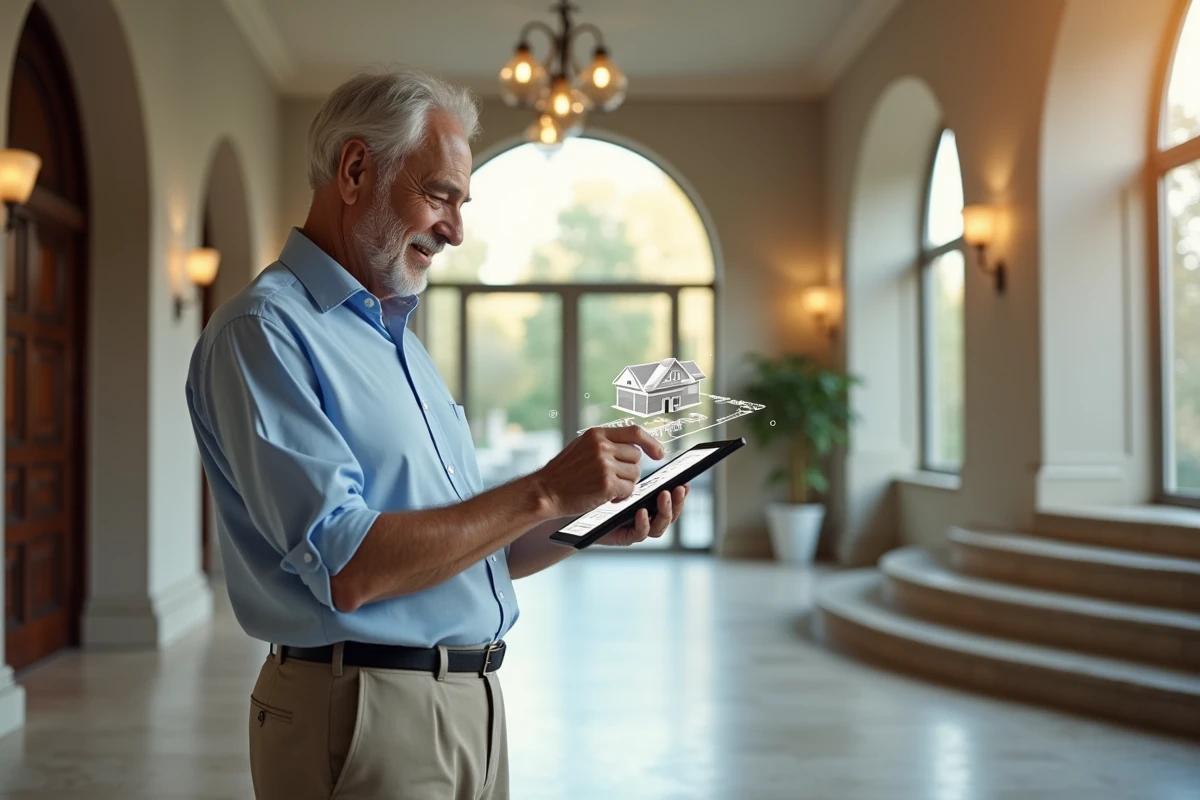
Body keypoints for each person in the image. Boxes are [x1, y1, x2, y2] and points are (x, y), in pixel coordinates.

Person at [185, 68, 689, 800]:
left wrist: (576, 519)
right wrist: (544, 486)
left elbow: (459, 550)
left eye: (461, 203)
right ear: (356, 169)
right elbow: (350, 566)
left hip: (471, 705)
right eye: (440, 195)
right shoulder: (265, 333)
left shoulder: (399, 340)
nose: (456, 229)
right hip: (364, 712)